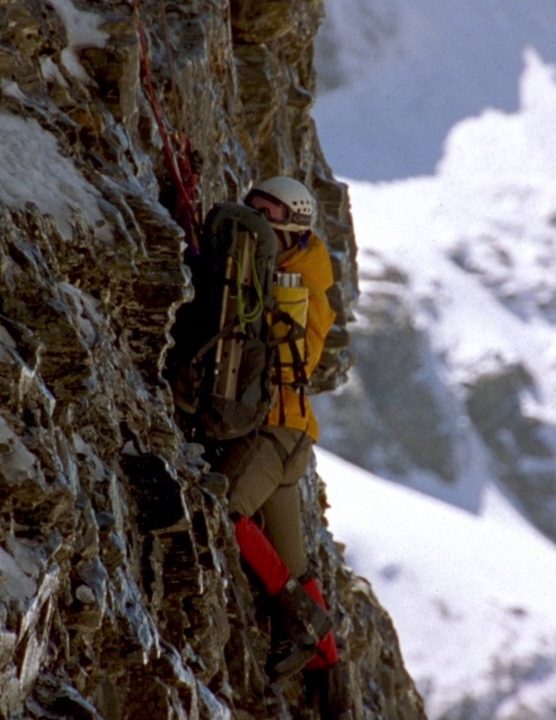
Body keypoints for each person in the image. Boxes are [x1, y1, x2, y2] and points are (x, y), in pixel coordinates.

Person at [219, 176, 340, 680]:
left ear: (292, 228)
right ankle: (330, 675)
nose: (257, 220)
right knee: (295, 566)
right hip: (292, 438)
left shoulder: (302, 287)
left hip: (274, 434)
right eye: (253, 208)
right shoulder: (272, 267)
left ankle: (301, 621)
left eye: (268, 214)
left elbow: (299, 361)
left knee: (223, 509)